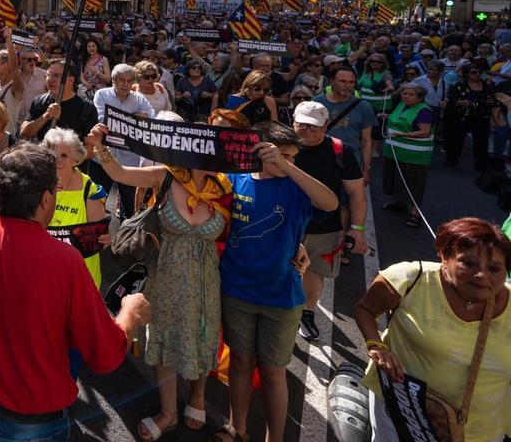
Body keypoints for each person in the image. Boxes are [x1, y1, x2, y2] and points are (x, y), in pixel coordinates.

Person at [0, 144, 150, 442]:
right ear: (45, 198)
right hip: (32, 423)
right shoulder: (66, 262)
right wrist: (130, 315)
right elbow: (105, 354)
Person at [88, 125, 232, 441]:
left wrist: (298, 248)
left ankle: (196, 396)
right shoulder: (165, 176)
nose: (212, 157)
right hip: (165, 274)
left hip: (206, 278)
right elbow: (120, 173)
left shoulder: (225, 187)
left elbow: (246, 223)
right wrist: (100, 146)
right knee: (164, 341)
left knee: (202, 336)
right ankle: (168, 413)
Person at [214, 124, 340, 442]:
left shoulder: (296, 186)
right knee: (241, 362)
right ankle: (237, 428)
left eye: (293, 157)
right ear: (259, 151)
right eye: (281, 155)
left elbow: (330, 204)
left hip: (281, 294)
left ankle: (276, 437)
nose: (289, 162)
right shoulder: (235, 179)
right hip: (236, 288)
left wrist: (285, 167)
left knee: (273, 370)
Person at [354, 218, 510, 442]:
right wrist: (376, 345)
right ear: (445, 257)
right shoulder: (411, 279)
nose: (482, 275)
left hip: (481, 431)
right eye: (469, 263)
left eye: (494, 268)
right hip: (405, 412)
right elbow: (365, 310)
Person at [290, 101, 368, 342]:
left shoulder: (339, 150)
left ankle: (307, 312)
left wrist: (357, 229)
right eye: (302, 125)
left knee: (314, 271)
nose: (308, 131)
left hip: (323, 226)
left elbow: (356, 193)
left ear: (326, 126)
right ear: (293, 122)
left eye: (315, 127)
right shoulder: (280, 145)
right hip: (283, 221)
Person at [42, 128, 108, 288]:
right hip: (46, 273)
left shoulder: (90, 190)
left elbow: (101, 240)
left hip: (80, 277)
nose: (58, 160)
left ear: (75, 159)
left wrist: (105, 238)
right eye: (53, 155)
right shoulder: (39, 185)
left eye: (64, 155)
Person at [93, 62, 157, 216]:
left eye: (129, 81)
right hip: (102, 158)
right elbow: (103, 119)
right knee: (96, 204)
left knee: (130, 208)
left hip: (130, 161)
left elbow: (151, 120)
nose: (126, 84)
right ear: (113, 80)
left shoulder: (139, 99)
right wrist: (135, 118)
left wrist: (124, 121)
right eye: (122, 80)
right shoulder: (102, 95)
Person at [380, 83, 436, 228]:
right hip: (395, 152)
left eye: (410, 94)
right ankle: (400, 203)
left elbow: (425, 132)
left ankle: (415, 213)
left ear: (420, 98)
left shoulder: (424, 111)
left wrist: (401, 134)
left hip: (415, 156)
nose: (406, 96)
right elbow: (399, 117)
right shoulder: (402, 105)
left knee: (414, 184)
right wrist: (387, 116)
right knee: (397, 179)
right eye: (404, 93)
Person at [22, 59, 99, 144]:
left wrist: (66, 156)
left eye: (56, 76)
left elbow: (91, 148)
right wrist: (45, 117)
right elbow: (24, 133)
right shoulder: (40, 101)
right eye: (48, 75)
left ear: (71, 80)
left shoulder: (86, 107)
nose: (50, 80)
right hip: (45, 156)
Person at [442, 63, 495, 171]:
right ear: (467, 74)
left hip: (481, 118)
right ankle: (451, 159)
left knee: (481, 141)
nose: (477, 74)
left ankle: (480, 164)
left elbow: (491, 101)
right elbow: (452, 100)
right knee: (456, 139)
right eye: (473, 72)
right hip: (461, 117)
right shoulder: (459, 85)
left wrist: (472, 103)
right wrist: (462, 102)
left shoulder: (487, 86)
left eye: (479, 72)